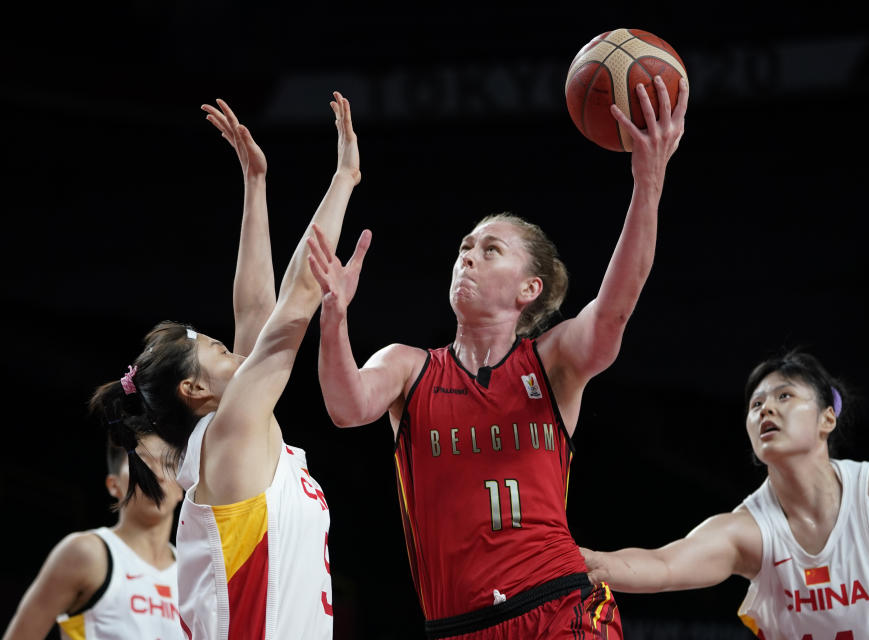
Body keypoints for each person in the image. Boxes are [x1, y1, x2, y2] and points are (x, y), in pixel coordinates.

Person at [313, 75, 687, 638]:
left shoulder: (552, 361)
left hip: (558, 607)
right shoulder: (409, 367)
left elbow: (613, 309)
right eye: (465, 248)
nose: (469, 258)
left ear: (528, 289)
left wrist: (648, 180)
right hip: (459, 626)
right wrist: (335, 318)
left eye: (491, 250)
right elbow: (346, 407)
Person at [86, 93, 366, 640]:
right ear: (193, 388)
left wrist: (255, 185)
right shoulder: (232, 433)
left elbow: (256, 311)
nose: (234, 348)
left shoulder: (233, 433)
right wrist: (345, 178)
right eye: (217, 348)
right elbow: (293, 308)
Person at [580, 349, 869, 640]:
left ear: (827, 417)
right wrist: (589, 562)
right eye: (756, 404)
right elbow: (663, 566)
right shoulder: (748, 532)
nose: (766, 410)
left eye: (784, 397)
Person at [2, 435, 184, 640]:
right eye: (142, 464)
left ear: (182, 487)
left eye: (169, 465)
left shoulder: (192, 575)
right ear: (114, 485)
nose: (158, 475)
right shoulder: (86, 553)